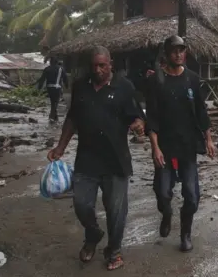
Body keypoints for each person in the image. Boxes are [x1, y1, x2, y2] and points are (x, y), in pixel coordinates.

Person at [47, 46, 145, 271]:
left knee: (116, 211)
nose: (98, 70)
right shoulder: (81, 86)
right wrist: (60, 147)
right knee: (81, 204)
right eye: (94, 66)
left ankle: (114, 250)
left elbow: (137, 116)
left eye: (102, 65)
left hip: (116, 161)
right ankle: (92, 234)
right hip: (87, 159)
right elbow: (72, 119)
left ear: (111, 64)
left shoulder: (124, 87)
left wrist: (139, 125)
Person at [145, 35, 216, 252]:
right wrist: (154, 147)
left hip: (188, 147)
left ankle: (185, 233)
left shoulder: (192, 79)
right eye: (174, 50)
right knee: (164, 192)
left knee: (192, 196)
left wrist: (209, 139)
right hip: (165, 147)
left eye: (182, 50)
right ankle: (166, 214)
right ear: (166, 54)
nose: (179, 54)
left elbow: (201, 112)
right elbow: (153, 118)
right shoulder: (156, 80)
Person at [37, 57, 68, 123]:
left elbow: (42, 79)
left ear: (51, 62)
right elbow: (65, 78)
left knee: (52, 102)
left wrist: (39, 88)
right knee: (55, 102)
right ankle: (52, 116)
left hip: (49, 88)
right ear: (57, 62)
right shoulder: (61, 69)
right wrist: (67, 85)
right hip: (57, 88)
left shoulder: (47, 69)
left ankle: (54, 116)